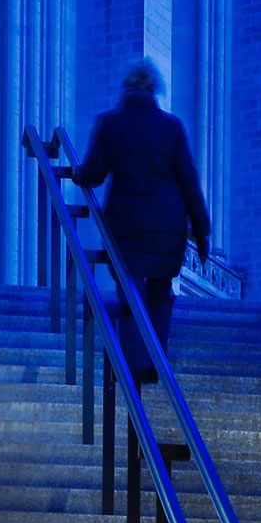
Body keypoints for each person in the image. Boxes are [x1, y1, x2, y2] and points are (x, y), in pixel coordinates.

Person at [74, 57, 212, 382]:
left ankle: (134, 363)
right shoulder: (171, 127)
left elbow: (94, 172)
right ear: (154, 90)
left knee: (131, 290)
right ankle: (155, 361)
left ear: (126, 88)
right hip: (168, 227)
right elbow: (189, 181)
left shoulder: (110, 124)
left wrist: (80, 174)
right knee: (161, 291)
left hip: (127, 225)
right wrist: (202, 230)